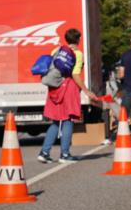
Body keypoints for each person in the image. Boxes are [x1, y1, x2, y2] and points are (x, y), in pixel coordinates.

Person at [38, 28, 99, 163]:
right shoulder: (77, 54)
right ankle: (65, 154)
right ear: (78, 39)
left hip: (55, 88)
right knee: (68, 120)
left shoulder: (56, 50)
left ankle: (44, 152)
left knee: (56, 121)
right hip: (68, 88)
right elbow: (75, 74)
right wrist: (86, 90)